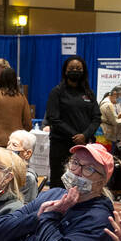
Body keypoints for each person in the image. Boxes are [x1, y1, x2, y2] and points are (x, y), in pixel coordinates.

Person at [44, 56, 100, 185]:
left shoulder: (89, 93)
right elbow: (54, 118)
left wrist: (85, 135)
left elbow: (96, 117)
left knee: (83, 180)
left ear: (84, 71)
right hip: (61, 144)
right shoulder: (57, 92)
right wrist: (75, 135)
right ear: (65, 71)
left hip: (84, 145)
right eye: (72, 68)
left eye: (78, 68)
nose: (75, 70)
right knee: (60, 181)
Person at [6, 129, 40, 203]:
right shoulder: (5, 169)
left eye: (14, 145)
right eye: (8, 144)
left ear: (27, 154)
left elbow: (24, 209)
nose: (8, 148)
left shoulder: (27, 178)